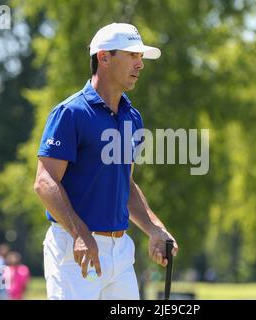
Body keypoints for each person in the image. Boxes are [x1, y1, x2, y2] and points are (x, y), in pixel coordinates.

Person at [34, 22, 178, 300]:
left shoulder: (132, 118)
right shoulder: (70, 113)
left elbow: (125, 184)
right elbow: (44, 181)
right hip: (74, 252)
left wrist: (154, 229)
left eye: (141, 57)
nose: (140, 64)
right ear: (104, 58)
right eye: (132, 55)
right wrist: (79, 233)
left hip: (121, 252)